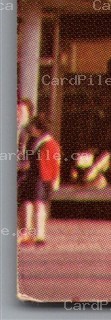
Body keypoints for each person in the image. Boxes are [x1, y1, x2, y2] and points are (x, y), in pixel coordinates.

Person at [20, 116, 59, 245]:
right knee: (28, 204)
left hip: (42, 177)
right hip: (32, 176)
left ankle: (39, 234)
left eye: (33, 126)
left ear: (39, 128)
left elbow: (55, 163)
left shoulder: (50, 143)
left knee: (38, 204)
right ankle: (28, 233)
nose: (31, 129)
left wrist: (54, 179)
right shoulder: (32, 141)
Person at [17, 98, 34, 245]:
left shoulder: (30, 131)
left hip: (26, 169)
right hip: (16, 167)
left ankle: (26, 232)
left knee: (25, 201)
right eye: (17, 110)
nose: (18, 113)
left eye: (22, 111)